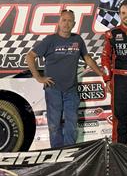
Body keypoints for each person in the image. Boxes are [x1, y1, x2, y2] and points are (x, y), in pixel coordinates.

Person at [26, 9, 103, 148]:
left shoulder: (77, 40)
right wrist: (38, 77)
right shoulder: (50, 40)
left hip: (71, 90)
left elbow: (88, 59)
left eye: (70, 21)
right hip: (53, 89)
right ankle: (57, 153)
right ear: (59, 22)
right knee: (54, 125)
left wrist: (103, 75)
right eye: (64, 20)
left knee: (71, 125)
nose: (66, 24)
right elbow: (29, 56)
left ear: (74, 24)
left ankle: (69, 152)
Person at [101, 1, 127, 146]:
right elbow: (105, 58)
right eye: (123, 13)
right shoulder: (112, 34)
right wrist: (107, 80)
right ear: (119, 15)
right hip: (119, 80)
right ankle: (119, 154)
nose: (126, 16)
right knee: (120, 119)